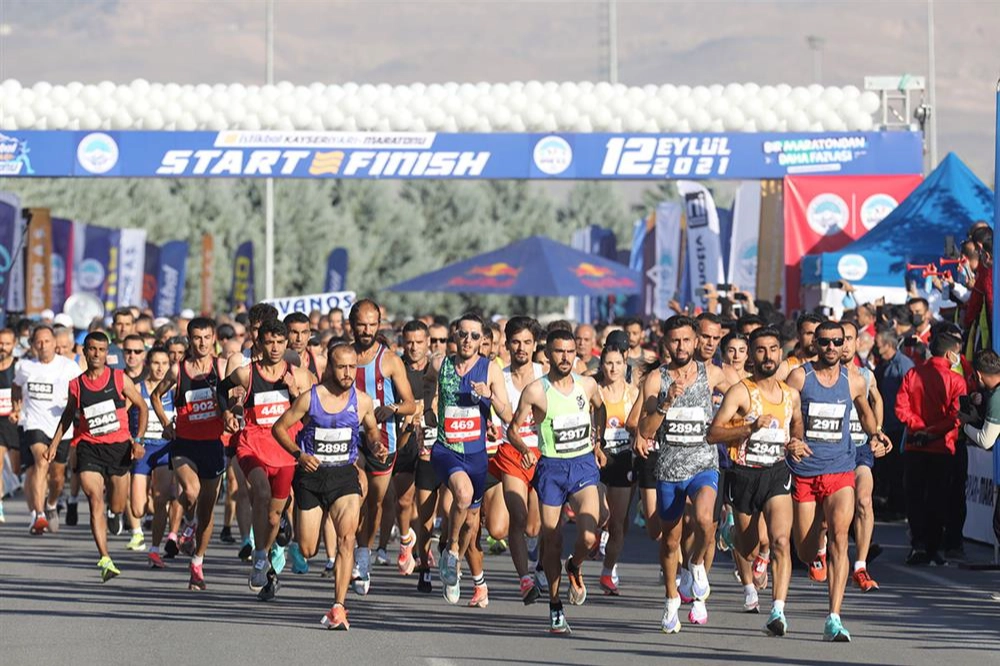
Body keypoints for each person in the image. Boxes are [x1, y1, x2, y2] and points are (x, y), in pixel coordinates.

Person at [784, 321, 891, 642]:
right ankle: (813, 551)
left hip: (841, 467)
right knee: (804, 550)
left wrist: (875, 434)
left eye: (837, 342)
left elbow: (866, 410)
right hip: (805, 469)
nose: (832, 347)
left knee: (841, 538)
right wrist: (794, 439)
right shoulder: (800, 376)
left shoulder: (854, 379)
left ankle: (834, 616)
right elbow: (791, 415)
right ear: (815, 344)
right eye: (826, 342)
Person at [273, 343, 386, 631]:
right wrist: (299, 455)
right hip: (311, 476)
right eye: (341, 367)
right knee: (309, 550)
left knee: (347, 539)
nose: (348, 373)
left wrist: (377, 446)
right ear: (330, 369)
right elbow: (279, 428)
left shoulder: (362, 401)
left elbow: (372, 431)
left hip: (343, 476)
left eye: (352, 367)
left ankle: (338, 607)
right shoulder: (311, 398)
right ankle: (295, 528)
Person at [508, 328, 604, 634]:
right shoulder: (537, 391)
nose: (565, 357)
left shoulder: (587, 385)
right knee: (552, 540)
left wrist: (597, 441)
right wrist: (525, 449)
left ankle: (574, 565)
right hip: (551, 469)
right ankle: (555, 604)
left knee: (589, 536)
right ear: (547, 355)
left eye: (570, 351)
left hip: (583, 464)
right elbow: (513, 429)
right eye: (559, 352)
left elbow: (600, 408)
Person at [709, 326, 802, 636]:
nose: (768, 356)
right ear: (751, 354)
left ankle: (778, 611)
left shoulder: (791, 394)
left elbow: (797, 424)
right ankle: (732, 533)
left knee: (780, 541)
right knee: (747, 549)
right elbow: (714, 433)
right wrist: (748, 429)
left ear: (780, 352)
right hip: (743, 474)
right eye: (761, 350)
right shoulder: (741, 392)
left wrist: (797, 442)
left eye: (774, 349)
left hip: (776, 473)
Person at [637, 316, 726, 632]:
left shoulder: (711, 373)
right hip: (669, 469)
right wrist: (666, 402)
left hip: (703, 464)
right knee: (670, 540)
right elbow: (645, 429)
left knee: (705, 520)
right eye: (675, 341)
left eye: (687, 340)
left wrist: (745, 428)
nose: (682, 346)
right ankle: (671, 601)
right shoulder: (655, 380)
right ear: (666, 344)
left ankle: (698, 563)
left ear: (696, 341)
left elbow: (743, 396)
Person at [219, 319, 314, 600]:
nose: (274, 348)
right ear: (259, 343)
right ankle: (260, 556)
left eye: (279, 342)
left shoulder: (299, 375)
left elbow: (310, 414)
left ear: (287, 345)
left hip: (285, 451)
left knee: (274, 515)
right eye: (269, 342)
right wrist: (225, 412)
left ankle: (266, 553)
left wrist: (294, 392)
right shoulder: (246, 374)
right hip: (253, 445)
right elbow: (221, 389)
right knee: (259, 492)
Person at [47, 332, 148, 582]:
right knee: (94, 499)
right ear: (84, 351)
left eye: (101, 350)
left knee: (115, 503)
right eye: (92, 349)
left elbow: (142, 406)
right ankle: (104, 558)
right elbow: (68, 415)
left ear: (107, 352)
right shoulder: (77, 385)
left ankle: (116, 515)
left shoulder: (118, 378)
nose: (96, 354)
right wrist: (54, 444)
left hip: (118, 448)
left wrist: (138, 440)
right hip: (88, 447)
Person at [434, 313, 512, 605]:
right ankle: (451, 551)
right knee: (463, 496)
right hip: (446, 449)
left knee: (472, 523)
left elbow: (506, 414)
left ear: (483, 341)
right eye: (463, 334)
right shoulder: (440, 363)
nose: (468, 340)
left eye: (474, 336)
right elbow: (429, 384)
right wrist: (430, 411)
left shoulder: (490, 370)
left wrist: (488, 396)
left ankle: (455, 564)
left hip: (477, 455)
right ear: (455, 336)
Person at [151, 317, 227, 590]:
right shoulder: (178, 370)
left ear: (214, 337)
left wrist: (234, 407)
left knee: (206, 511)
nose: (202, 343)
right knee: (192, 492)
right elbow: (155, 396)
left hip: (213, 444)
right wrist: (165, 424)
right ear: (189, 339)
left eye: (207, 337)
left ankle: (197, 560)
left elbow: (239, 390)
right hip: (184, 442)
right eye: (197, 337)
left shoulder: (222, 366)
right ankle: (188, 525)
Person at [894, 331, 967, 566]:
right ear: (950, 353)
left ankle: (919, 545)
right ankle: (933, 547)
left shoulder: (914, 373)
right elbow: (956, 415)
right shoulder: (956, 380)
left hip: (916, 445)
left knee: (915, 498)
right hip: (942, 448)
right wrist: (933, 431)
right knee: (938, 499)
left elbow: (900, 408)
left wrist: (919, 428)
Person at [12, 324, 81, 534]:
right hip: (34, 422)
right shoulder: (25, 366)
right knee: (41, 461)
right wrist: (17, 408)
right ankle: (39, 514)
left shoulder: (68, 367)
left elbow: (80, 391)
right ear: (33, 345)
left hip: (61, 427)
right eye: (39, 342)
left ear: (54, 344)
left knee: (58, 477)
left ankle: (51, 504)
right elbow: (16, 385)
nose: (43, 346)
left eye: (47, 341)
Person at [841, 321, 884, 591]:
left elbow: (877, 399)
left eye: (848, 339)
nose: (843, 344)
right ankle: (820, 554)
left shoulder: (866, 375)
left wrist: (877, 433)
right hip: (828, 450)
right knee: (828, 514)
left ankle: (860, 566)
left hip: (859, 449)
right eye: (838, 339)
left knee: (865, 501)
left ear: (857, 342)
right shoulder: (815, 374)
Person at [595, 339, 639, 596]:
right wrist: (595, 448)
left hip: (623, 459)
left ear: (625, 364)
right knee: (601, 515)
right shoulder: (594, 390)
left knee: (618, 523)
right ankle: (589, 542)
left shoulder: (633, 393)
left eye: (618, 364)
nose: (613, 369)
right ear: (601, 365)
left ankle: (607, 570)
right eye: (608, 364)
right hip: (597, 458)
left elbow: (641, 425)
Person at [129, 345, 175, 568]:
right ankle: (145, 510)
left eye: (165, 363)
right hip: (143, 449)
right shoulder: (137, 388)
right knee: (138, 508)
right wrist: (131, 441)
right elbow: (122, 414)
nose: (160, 368)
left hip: (165, 449)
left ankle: (155, 548)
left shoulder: (174, 390)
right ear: (148, 364)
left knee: (162, 498)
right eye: (156, 363)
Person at [872, 328, 914, 519]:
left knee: (898, 470)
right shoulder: (885, 365)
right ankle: (891, 504)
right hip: (887, 424)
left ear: (888, 345)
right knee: (888, 469)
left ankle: (899, 508)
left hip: (900, 425)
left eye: (878, 343)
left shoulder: (903, 365)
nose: (876, 347)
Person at [0, 328, 18, 523]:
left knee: (17, 468)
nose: (2, 348)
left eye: (6, 344)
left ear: (13, 345)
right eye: (0, 343)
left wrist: (19, 409)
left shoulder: (19, 366)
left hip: (15, 422)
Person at [285, 311, 325, 379]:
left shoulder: (320, 363)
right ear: (285, 333)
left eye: (304, 332)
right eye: (294, 332)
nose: (299, 338)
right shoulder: (276, 363)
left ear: (309, 335)